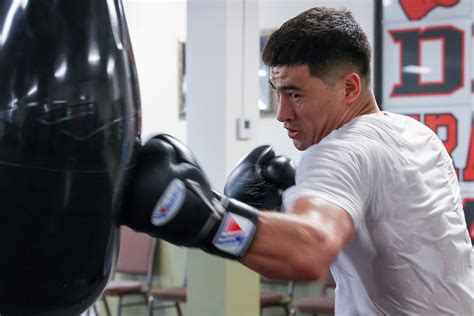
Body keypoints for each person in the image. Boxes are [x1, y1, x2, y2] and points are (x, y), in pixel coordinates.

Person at [124, 7, 473, 316]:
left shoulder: (339, 151)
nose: (282, 114)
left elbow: (308, 253)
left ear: (350, 88)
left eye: (295, 94)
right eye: (277, 93)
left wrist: (205, 216)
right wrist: (281, 219)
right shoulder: (418, 134)